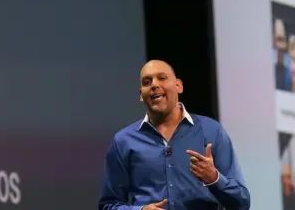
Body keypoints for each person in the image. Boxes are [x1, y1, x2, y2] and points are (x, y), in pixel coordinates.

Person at [98, 60, 250, 210]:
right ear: (140, 95)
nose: (154, 85)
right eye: (147, 82)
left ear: (179, 86)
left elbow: (241, 202)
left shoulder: (211, 130)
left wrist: (214, 178)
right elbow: (109, 206)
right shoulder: (124, 141)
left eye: (162, 78)